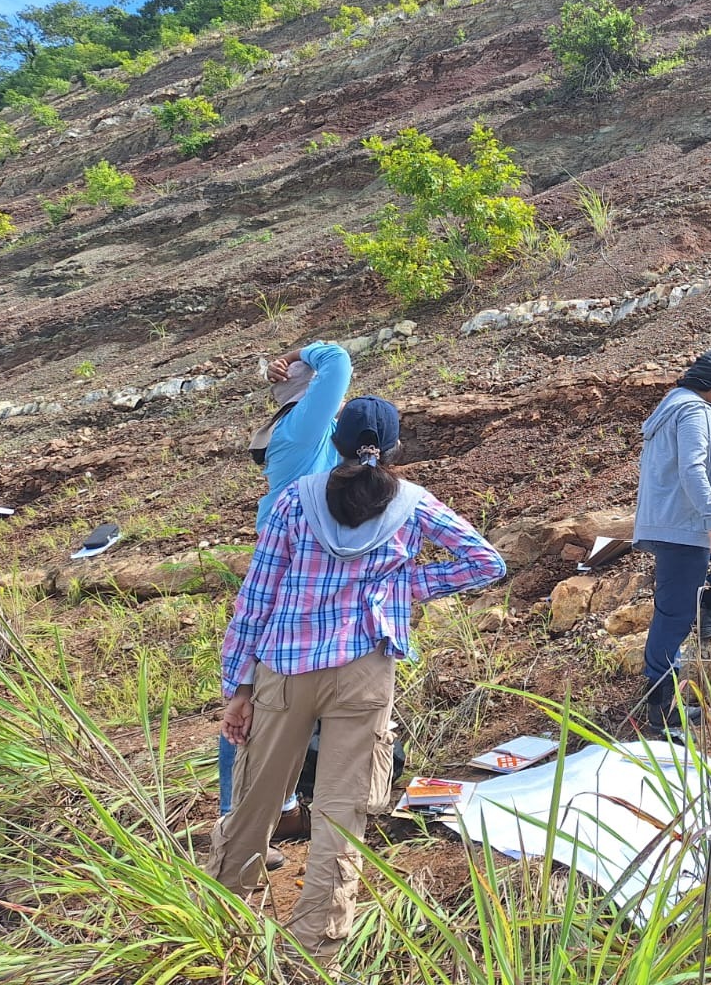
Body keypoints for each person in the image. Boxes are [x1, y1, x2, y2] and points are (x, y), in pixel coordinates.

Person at [208, 396, 506, 965]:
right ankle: (314, 952)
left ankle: (221, 920)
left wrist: (237, 687)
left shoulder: (295, 500)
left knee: (256, 799)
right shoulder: (415, 504)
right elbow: (485, 561)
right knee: (342, 812)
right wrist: (401, 590)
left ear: (336, 443)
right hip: (365, 669)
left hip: (285, 666)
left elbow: (257, 597)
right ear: (393, 449)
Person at [218, 341, 355, 856]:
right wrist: (301, 351)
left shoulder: (304, 438)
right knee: (257, 689)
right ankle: (237, 819)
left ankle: (279, 810)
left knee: (286, 687)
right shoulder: (303, 427)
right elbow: (338, 360)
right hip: (292, 570)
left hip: (301, 565)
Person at [631, 348, 711, 730]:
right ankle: (662, 711)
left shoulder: (672, 403)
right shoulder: (695, 411)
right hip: (684, 528)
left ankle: (710, 612)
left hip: (667, 522)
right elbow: (693, 468)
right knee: (672, 615)